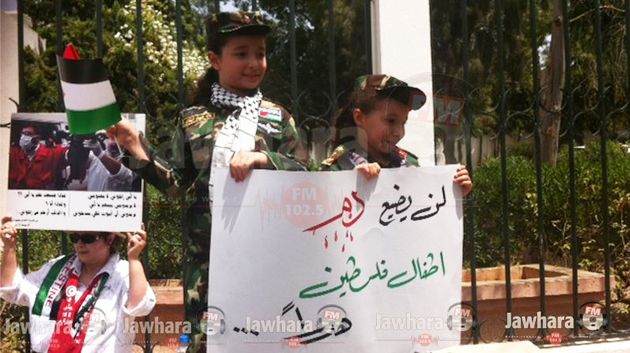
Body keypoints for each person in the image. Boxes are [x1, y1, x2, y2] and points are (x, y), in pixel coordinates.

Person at [107, 11, 307, 352]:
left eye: (260, 53)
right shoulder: (192, 120)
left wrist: (264, 159)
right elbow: (174, 184)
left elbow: (307, 174)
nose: (254, 62)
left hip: (269, 258)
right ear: (215, 59)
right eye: (241, 53)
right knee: (205, 343)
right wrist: (134, 145)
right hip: (208, 264)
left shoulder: (278, 117)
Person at [0, 216, 155, 353]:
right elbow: (12, 290)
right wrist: (10, 247)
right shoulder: (57, 268)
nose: (79, 244)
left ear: (109, 239)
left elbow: (141, 306)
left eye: (88, 238)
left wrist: (134, 258)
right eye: (74, 237)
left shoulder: (123, 273)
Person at [322, 74, 472, 195]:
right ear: (360, 118)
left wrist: (453, 193)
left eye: (403, 123)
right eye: (391, 120)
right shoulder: (336, 169)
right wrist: (348, 185)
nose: (399, 132)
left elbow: (426, 213)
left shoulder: (409, 163)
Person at [9, 124, 67, 190]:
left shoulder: (52, 152)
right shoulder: (14, 152)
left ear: (37, 138)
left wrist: (72, 139)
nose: (23, 137)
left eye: (28, 134)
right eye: (22, 134)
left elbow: (68, 152)